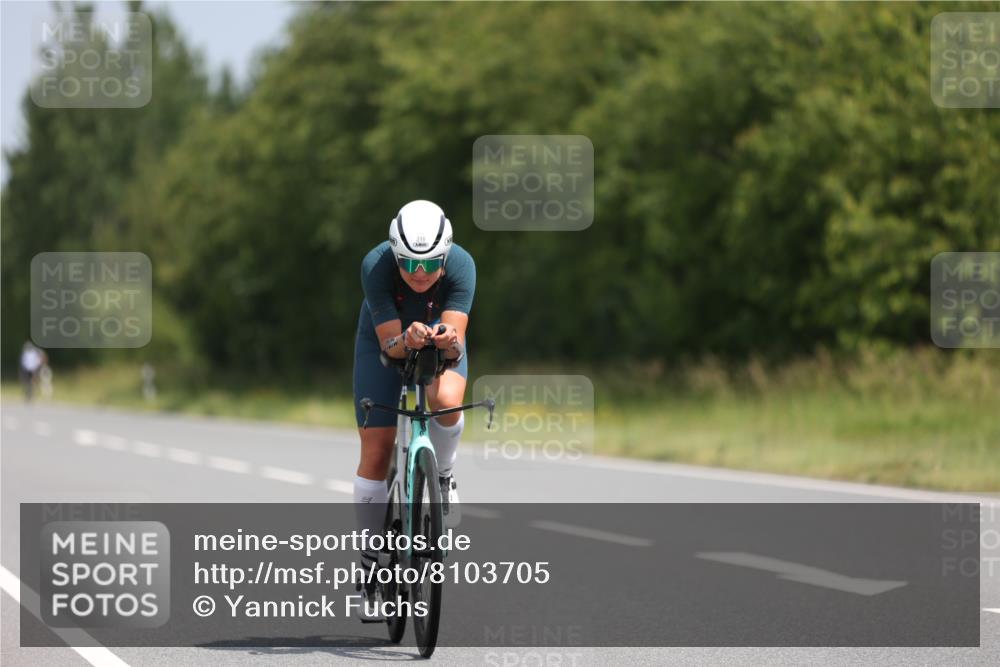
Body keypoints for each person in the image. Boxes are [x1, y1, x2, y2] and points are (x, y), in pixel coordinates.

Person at [352, 200, 475, 616]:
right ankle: (370, 565)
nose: (419, 274)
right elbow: (390, 345)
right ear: (394, 252)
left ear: (445, 255)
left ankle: (444, 474)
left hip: (438, 342)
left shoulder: (462, 265)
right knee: (376, 449)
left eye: (429, 264)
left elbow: (456, 343)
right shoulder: (375, 265)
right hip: (383, 342)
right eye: (408, 263)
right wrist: (408, 337)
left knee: (444, 401)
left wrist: (444, 338)